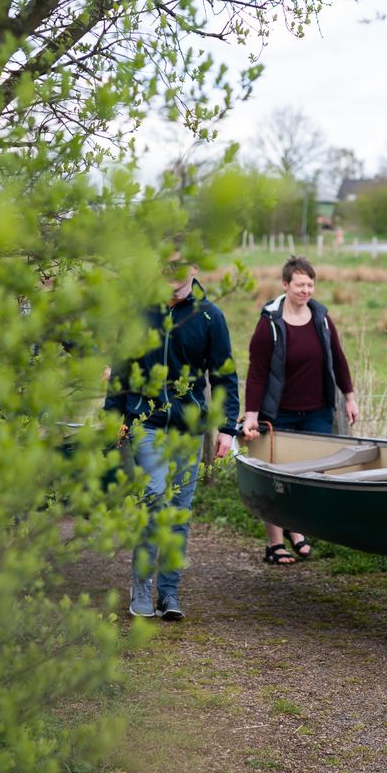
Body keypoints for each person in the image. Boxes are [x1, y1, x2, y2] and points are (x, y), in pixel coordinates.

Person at [106, 251, 240, 621]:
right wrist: (112, 417)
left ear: (194, 269)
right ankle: (142, 587)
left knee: (178, 512)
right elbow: (121, 368)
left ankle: (170, 592)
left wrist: (227, 428)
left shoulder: (210, 317)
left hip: (188, 429)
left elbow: (225, 376)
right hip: (145, 422)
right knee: (153, 498)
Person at [240, 255, 360, 565]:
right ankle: (275, 543)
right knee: (276, 477)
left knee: (310, 475)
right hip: (278, 414)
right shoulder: (270, 324)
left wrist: (349, 396)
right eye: (299, 285)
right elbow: (257, 372)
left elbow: (338, 356)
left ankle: (297, 528)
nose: (306, 290)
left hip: (317, 411)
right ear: (285, 285)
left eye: (310, 284)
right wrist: (251, 413)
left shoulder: (321, 318)